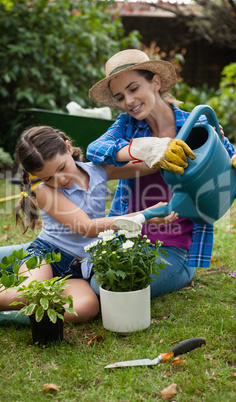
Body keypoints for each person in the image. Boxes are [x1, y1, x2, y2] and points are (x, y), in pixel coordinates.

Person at [0, 125, 178, 321]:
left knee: (87, 307)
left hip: (80, 268)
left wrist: (167, 153)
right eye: (48, 177)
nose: (61, 179)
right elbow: (88, 228)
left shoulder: (98, 170)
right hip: (48, 258)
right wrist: (144, 216)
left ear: (68, 148)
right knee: (24, 294)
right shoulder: (46, 192)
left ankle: (10, 315)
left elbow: (146, 166)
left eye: (62, 168)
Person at [87, 48, 236, 298]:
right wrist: (143, 148)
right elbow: (95, 149)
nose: (129, 101)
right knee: (98, 283)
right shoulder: (126, 125)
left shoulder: (197, 127)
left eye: (134, 89)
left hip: (174, 246)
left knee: (109, 289)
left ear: (155, 82)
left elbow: (229, 157)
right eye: (120, 96)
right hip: (128, 237)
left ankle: (181, 272)